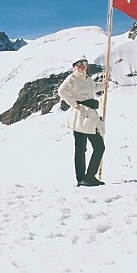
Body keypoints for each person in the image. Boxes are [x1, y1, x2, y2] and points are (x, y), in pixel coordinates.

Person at [58, 56, 105, 187]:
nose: (82, 66)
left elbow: (93, 87)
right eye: (79, 64)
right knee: (83, 148)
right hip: (80, 115)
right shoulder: (72, 78)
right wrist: (74, 104)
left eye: (84, 63)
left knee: (96, 147)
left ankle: (88, 177)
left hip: (88, 116)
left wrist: (104, 84)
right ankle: (83, 179)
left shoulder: (88, 79)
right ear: (74, 66)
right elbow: (61, 91)